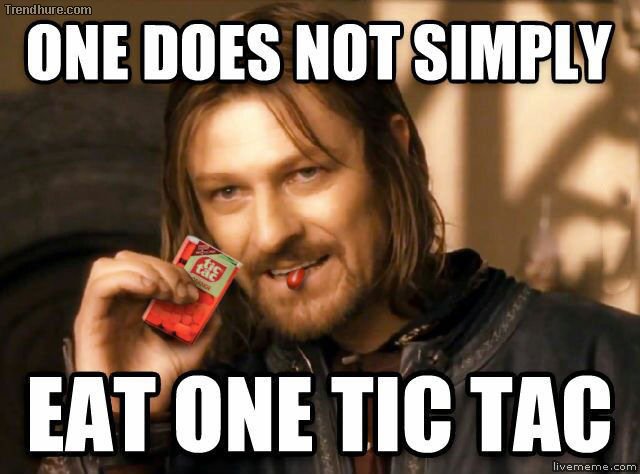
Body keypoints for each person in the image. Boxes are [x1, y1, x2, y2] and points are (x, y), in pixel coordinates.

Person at [40, 3, 640, 474]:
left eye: (305, 173)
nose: (270, 234)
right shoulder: (193, 425)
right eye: (228, 192)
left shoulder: (607, 366)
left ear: (395, 152)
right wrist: (114, 425)